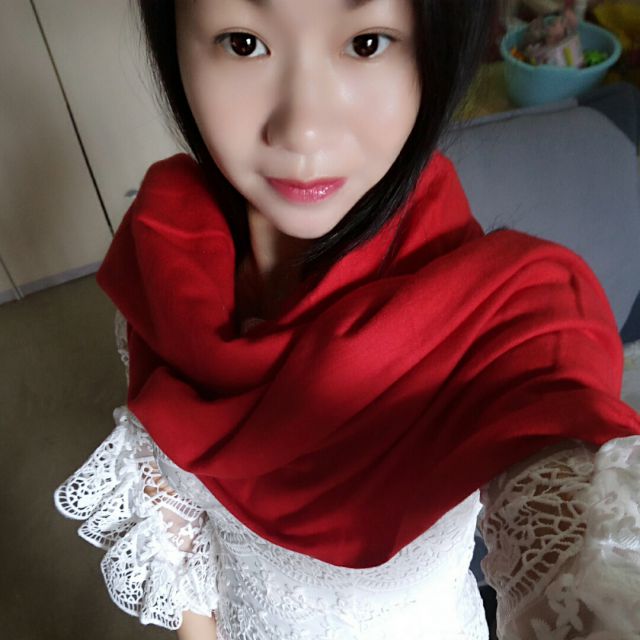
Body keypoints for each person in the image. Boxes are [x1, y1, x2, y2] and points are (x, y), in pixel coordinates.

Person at [53, 1, 640, 639]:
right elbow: (188, 553)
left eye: (367, 44)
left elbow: (581, 554)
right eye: (244, 43)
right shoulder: (162, 257)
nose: (303, 132)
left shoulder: (506, 326)